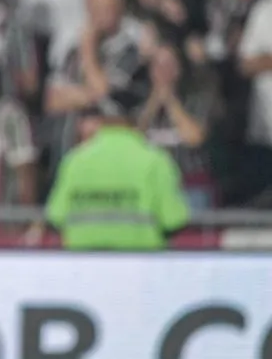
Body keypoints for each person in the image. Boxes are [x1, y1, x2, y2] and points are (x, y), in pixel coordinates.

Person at [46, 91, 190, 250]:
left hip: (84, 260)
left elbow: (56, 216)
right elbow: (174, 220)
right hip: (141, 259)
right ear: (139, 117)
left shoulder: (75, 160)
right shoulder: (155, 161)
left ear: (102, 118)